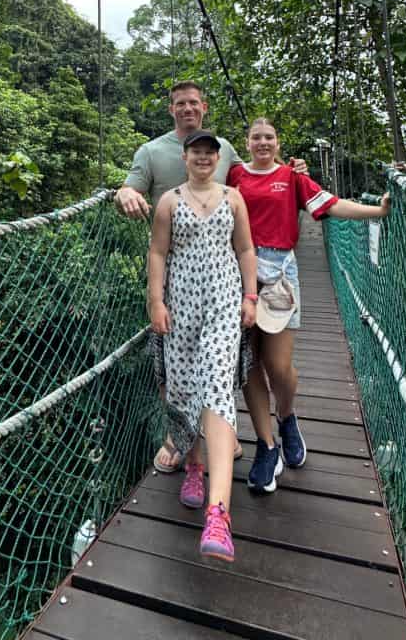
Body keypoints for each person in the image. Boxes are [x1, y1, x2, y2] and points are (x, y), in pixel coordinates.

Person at [114, 81, 308, 472]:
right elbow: (130, 188)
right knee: (169, 359)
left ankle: (229, 427)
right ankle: (179, 433)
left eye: (194, 103)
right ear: (172, 109)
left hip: (223, 273)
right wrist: (124, 192)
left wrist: (292, 174)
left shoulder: (224, 148)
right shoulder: (150, 152)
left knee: (228, 357)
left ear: (204, 107)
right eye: (180, 103)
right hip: (174, 272)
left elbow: (255, 178)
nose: (187, 109)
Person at [227, 117, 391, 493]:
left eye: (269, 137)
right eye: (256, 137)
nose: (263, 143)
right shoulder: (234, 174)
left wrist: (376, 212)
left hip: (280, 274)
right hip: (235, 269)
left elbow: (332, 206)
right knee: (249, 364)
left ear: (278, 142)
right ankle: (266, 447)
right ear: (247, 142)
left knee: (279, 366)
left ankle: (286, 417)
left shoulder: (293, 178)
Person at [148, 129, 258, 562]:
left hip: (223, 304)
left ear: (218, 158)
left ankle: (218, 513)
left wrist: (250, 296)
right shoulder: (169, 201)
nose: (204, 157)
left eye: (210, 152)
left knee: (215, 388)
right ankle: (192, 466)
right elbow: (158, 253)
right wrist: (156, 301)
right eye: (196, 151)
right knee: (182, 389)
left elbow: (245, 248)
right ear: (185, 156)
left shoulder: (233, 197)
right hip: (181, 306)